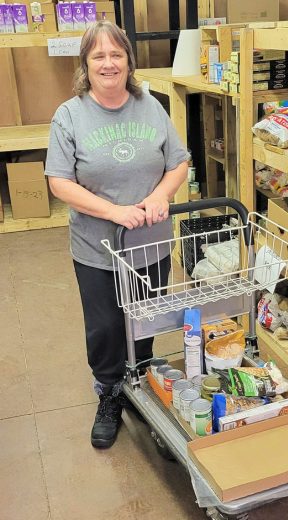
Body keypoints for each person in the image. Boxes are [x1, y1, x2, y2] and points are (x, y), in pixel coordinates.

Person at [45, 21, 189, 449]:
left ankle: (142, 385)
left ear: (129, 61)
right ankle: (109, 393)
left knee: (144, 319)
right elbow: (59, 181)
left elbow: (178, 162)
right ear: (86, 66)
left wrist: (162, 194)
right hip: (97, 249)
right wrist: (115, 211)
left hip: (151, 244)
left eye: (116, 55)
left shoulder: (152, 106)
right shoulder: (69, 115)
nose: (109, 63)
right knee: (106, 327)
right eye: (98, 56)